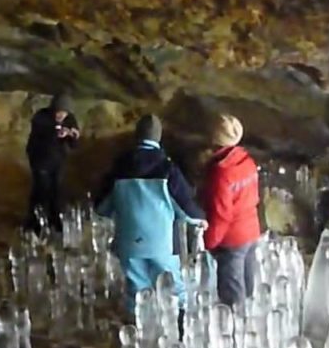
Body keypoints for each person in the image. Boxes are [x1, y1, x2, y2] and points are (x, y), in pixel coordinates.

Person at [94, 114, 206, 314]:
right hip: (161, 242)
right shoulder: (166, 168)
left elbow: (102, 207)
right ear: (158, 138)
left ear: (136, 136)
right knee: (173, 287)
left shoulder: (119, 168)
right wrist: (200, 219)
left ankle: (138, 330)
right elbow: (184, 204)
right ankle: (178, 329)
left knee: (136, 290)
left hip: (128, 241)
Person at [202, 114, 261, 308]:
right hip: (251, 232)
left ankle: (237, 333)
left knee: (233, 298)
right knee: (249, 289)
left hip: (232, 240)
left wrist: (208, 242)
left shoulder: (221, 173)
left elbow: (221, 215)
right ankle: (252, 326)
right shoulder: (247, 161)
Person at [24, 93, 79, 235]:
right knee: (41, 191)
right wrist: (56, 131)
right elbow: (40, 134)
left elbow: (74, 144)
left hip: (58, 160)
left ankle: (55, 224)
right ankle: (34, 225)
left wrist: (72, 136)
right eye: (58, 112)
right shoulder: (41, 117)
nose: (61, 116)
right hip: (40, 158)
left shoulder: (70, 120)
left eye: (64, 113)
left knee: (57, 191)